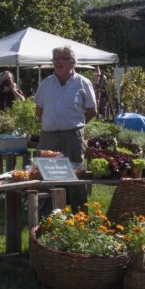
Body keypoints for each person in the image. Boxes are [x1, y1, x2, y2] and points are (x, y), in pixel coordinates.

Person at [34, 45, 97, 208]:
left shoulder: (83, 83)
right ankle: (46, 214)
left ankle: (80, 215)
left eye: (61, 59)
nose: (57, 62)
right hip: (48, 136)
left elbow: (92, 111)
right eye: (54, 59)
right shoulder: (46, 83)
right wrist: (53, 121)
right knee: (45, 175)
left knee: (75, 175)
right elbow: (39, 110)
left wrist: (75, 126)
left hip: (72, 136)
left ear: (71, 62)